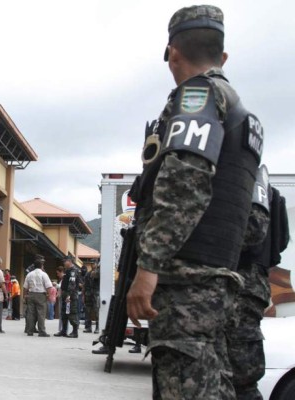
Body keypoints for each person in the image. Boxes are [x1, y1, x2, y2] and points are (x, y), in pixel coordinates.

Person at [126, 5, 263, 399]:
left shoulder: (199, 96)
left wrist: (148, 267)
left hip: (185, 283)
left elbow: (185, 183)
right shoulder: (243, 116)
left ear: (172, 53)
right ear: (223, 57)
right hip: (217, 283)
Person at [227, 167, 289, 400]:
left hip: (239, 283)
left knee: (240, 377)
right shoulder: (267, 190)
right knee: (241, 375)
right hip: (254, 285)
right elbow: (279, 244)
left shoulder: (241, 183)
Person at [24, 260, 53, 337]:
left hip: (31, 294)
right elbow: (49, 287)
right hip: (41, 295)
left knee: (30, 313)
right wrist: (49, 296)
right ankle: (42, 331)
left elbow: (25, 287)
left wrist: (25, 295)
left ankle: (30, 331)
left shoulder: (29, 274)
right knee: (41, 313)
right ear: (42, 266)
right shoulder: (44, 274)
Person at [55, 256, 81, 338]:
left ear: (69, 261)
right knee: (64, 313)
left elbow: (72, 285)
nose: (63, 263)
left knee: (72, 313)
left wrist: (69, 296)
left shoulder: (73, 271)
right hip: (65, 294)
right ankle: (63, 330)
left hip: (71, 295)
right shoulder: (67, 270)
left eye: (65, 261)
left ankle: (75, 332)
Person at [83, 263, 100, 333]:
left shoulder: (99, 273)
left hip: (96, 294)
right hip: (88, 294)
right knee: (87, 311)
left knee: (97, 311)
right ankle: (88, 327)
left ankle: (98, 327)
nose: (93, 265)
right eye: (92, 264)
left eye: (94, 264)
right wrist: (84, 295)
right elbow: (85, 285)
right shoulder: (87, 274)